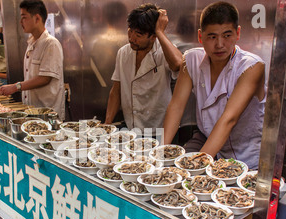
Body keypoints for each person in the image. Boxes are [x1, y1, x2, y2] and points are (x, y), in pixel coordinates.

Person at [162, 1, 266, 169]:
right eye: (212, 36)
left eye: (227, 35)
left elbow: (229, 119)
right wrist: (160, 151)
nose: (219, 44)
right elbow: (176, 106)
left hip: (244, 153)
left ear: (238, 33)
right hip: (206, 138)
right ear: (200, 36)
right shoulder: (191, 60)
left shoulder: (252, 66)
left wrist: (197, 165)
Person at [104, 3, 183, 133]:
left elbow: (178, 64)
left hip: (159, 129)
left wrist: (160, 32)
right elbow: (116, 90)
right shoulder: (123, 53)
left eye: (139, 35)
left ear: (153, 37)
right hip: (132, 128)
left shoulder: (163, 52)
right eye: (130, 30)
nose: (131, 38)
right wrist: (107, 123)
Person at [0, 0, 65, 120]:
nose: (21, 22)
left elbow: (45, 78)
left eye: (24, 17)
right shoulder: (32, 42)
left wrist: (15, 87)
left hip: (47, 115)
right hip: (32, 112)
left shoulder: (51, 44)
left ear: (37, 18)